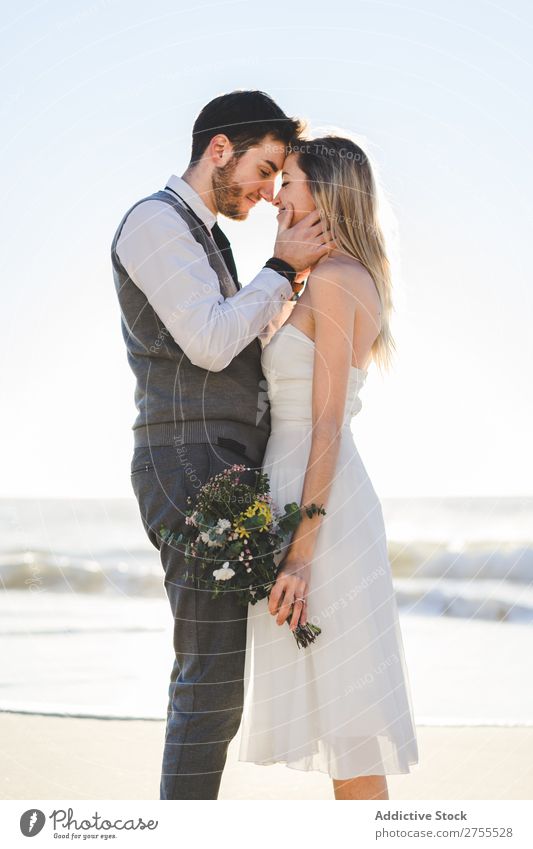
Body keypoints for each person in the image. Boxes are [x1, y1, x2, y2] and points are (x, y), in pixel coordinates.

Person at [110, 90, 334, 800]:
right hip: (186, 458)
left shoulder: (204, 236)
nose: (269, 192)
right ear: (218, 150)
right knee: (209, 680)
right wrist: (278, 270)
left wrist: (289, 283)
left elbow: (234, 345)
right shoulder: (153, 221)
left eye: (276, 178)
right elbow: (209, 345)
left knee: (215, 682)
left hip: (215, 459)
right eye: (264, 170)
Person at [237, 136, 419, 800]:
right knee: (333, 712)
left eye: (288, 182)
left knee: (349, 726)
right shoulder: (317, 276)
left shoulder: (341, 281)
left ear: (324, 192)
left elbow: (325, 422)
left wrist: (300, 554)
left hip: (325, 513)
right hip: (296, 494)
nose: (276, 195)